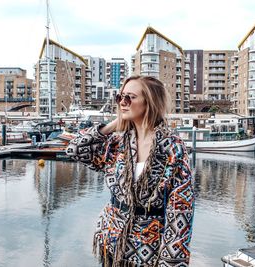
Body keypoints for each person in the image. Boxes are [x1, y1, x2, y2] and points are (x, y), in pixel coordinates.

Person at [66, 75, 195, 266]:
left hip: (147, 249)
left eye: (130, 97)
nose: (122, 103)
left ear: (150, 102)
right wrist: (111, 126)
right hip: (111, 240)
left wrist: (171, 261)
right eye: (120, 97)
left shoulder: (172, 147)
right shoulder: (118, 142)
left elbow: (181, 208)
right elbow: (75, 149)